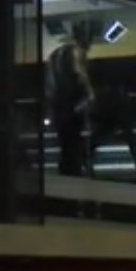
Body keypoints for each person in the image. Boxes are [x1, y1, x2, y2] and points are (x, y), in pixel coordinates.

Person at [44, 20, 98, 178]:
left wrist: (50, 108)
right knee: (74, 141)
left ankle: (67, 172)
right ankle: (74, 172)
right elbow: (80, 73)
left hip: (57, 105)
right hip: (70, 105)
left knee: (66, 144)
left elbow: (49, 84)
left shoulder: (55, 54)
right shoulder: (77, 52)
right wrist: (90, 94)